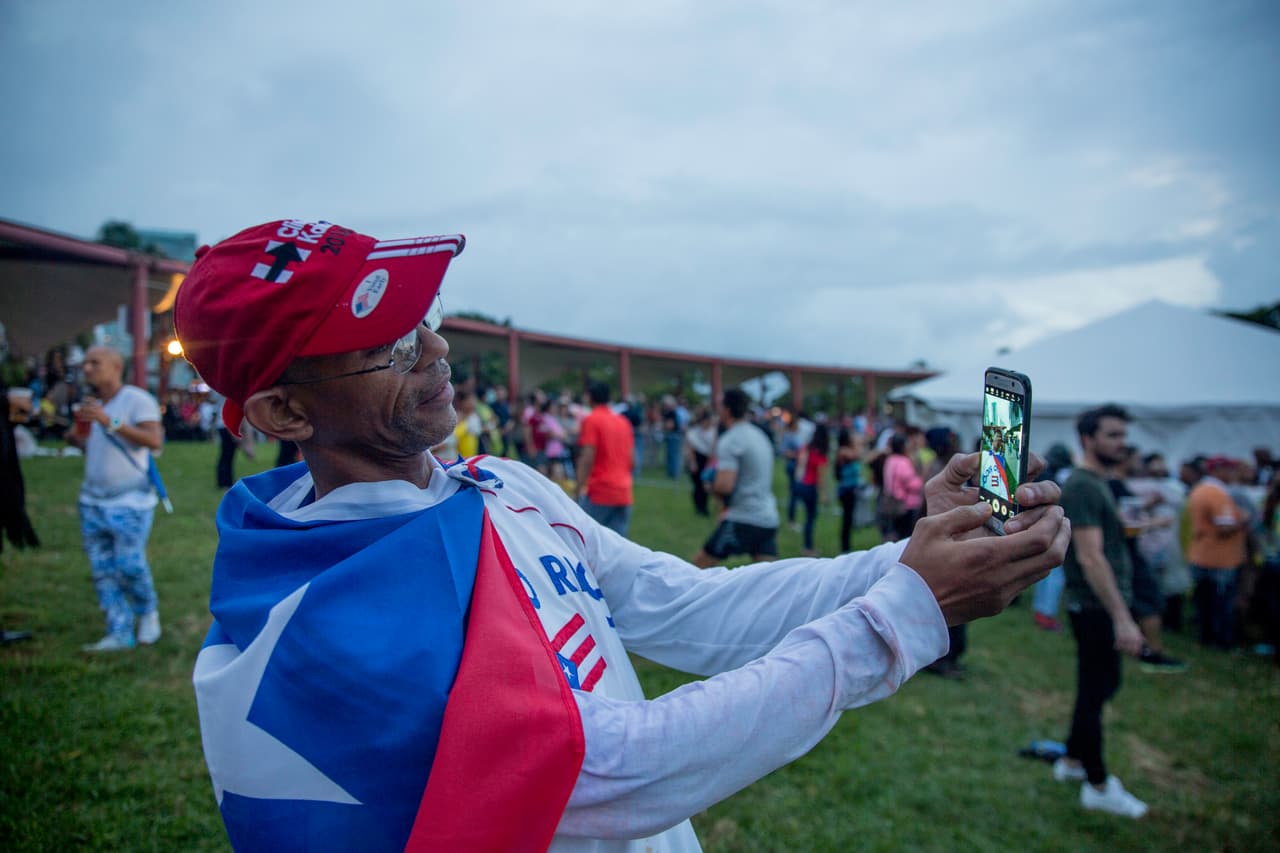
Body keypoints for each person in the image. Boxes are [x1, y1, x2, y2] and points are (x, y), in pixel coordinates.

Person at [176, 218, 1069, 851]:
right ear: (284, 409)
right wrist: (908, 611)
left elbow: (690, 606)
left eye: (423, 322)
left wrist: (911, 554)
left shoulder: (501, 485)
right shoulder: (326, 621)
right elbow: (610, 772)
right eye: (391, 347)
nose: (437, 352)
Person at [1053, 404, 1148, 818]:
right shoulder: (1085, 486)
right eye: (1112, 435)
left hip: (1095, 604)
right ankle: (1097, 782)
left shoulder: (1097, 484)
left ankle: (1073, 761)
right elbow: (1091, 558)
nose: (1120, 443)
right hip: (1094, 605)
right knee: (1096, 690)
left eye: (1123, 436)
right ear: (1087, 439)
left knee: (1098, 686)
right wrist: (1122, 617)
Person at [67, 346, 164, 652]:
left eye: (94, 362)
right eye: (85, 363)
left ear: (115, 366)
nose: (87, 369)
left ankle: (148, 612)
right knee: (102, 569)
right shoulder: (92, 403)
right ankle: (119, 630)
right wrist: (76, 437)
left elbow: (154, 440)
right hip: (92, 500)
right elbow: (92, 447)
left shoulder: (136, 399)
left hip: (130, 500)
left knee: (130, 564)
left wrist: (109, 421)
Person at [692, 388, 783, 567]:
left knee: (696, 570)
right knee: (769, 582)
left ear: (727, 410)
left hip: (745, 518)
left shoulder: (731, 440)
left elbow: (724, 486)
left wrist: (710, 486)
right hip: (768, 517)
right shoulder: (759, 435)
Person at [1186, 456, 1250, 649]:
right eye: (1229, 470)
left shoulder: (1199, 489)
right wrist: (1244, 519)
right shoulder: (1217, 494)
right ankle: (1222, 641)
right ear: (1217, 470)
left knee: (1204, 601)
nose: (1232, 474)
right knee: (1221, 603)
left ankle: (1206, 638)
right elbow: (1225, 528)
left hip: (1200, 553)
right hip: (1220, 558)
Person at [574, 381, 635, 536]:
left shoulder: (592, 420)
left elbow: (587, 457)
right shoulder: (623, 422)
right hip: (624, 492)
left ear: (590, 397)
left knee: (583, 540)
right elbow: (632, 459)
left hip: (600, 491)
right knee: (618, 549)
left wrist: (578, 487)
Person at [793, 423, 830, 556]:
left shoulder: (808, 448)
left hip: (802, 484)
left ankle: (807, 545)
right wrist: (824, 494)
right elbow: (821, 477)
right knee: (810, 518)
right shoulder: (820, 453)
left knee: (808, 517)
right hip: (810, 486)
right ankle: (808, 547)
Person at [882, 433, 924, 542]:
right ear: (902, 446)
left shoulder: (890, 459)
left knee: (896, 531)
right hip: (906, 503)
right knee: (906, 536)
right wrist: (921, 481)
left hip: (893, 500)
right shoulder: (903, 462)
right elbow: (911, 483)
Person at [834, 427, 865, 553]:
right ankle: (845, 547)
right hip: (846, 490)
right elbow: (859, 455)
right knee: (847, 520)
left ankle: (846, 546)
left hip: (851, 488)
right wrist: (858, 442)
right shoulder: (843, 451)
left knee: (849, 518)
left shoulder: (847, 450)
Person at [683, 407, 716, 517]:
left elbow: (714, 448)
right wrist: (692, 462)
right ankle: (699, 508)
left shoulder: (713, 432)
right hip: (698, 459)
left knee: (706, 485)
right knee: (697, 486)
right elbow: (690, 448)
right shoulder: (694, 433)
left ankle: (704, 507)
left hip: (709, 459)